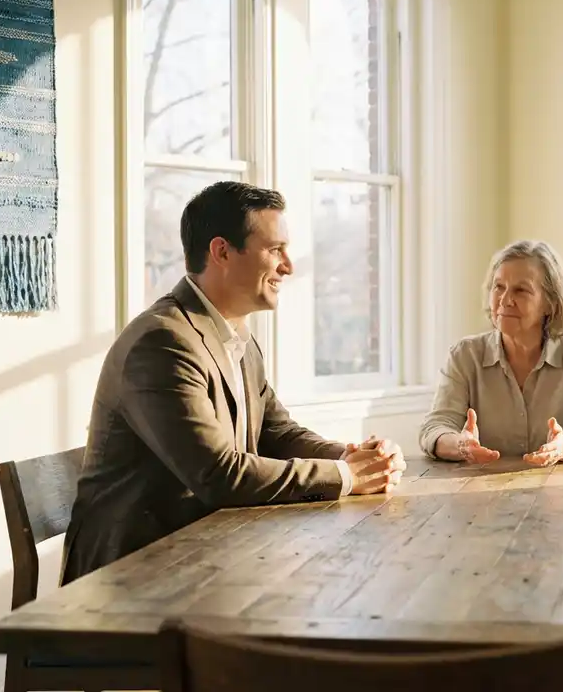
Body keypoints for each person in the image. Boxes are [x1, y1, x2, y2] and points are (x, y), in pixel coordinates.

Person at [61, 181, 406, 584]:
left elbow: (278, 433)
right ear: (222, 252)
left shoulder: (235, 334)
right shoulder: (162, 342)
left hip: (207, 551)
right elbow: (220, 475)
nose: (288, 266)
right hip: (132, 574)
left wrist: (356, 456)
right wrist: (346, 476)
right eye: (275, 249)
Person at [419, 240, 563, 465]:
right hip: (480, 484)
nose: (505, 300)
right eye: (498, 287)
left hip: (562, 485)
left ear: (550, 303)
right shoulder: (464, 356)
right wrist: (460, 445)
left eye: (521, 290)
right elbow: (435, 429)